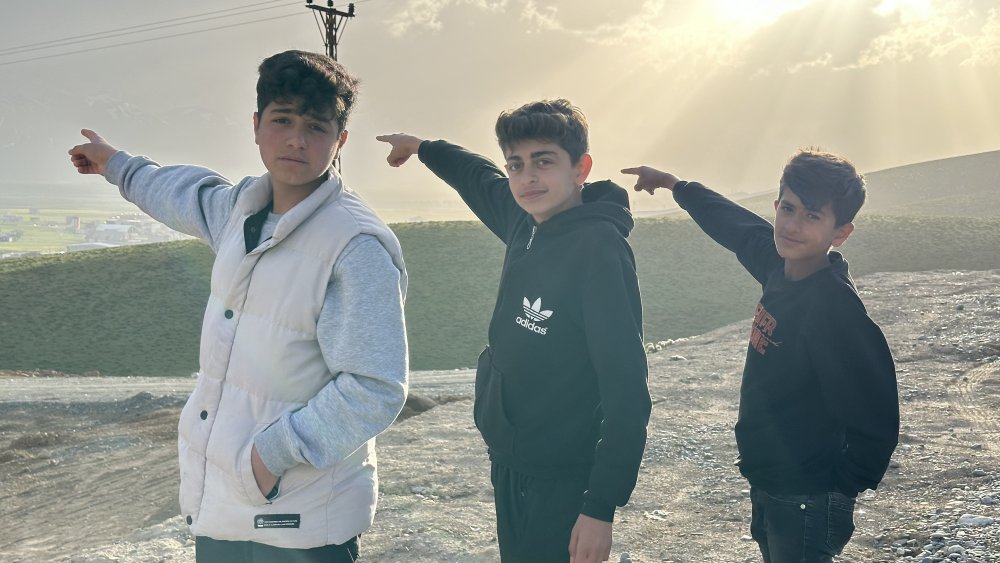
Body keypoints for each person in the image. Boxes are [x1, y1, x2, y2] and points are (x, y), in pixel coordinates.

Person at [68, 50, 408, 563]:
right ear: (256, 126)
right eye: (282, 120)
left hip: (301, 521)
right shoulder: (240, 209)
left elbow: (375, 387)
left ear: (339, 141)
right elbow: (182, 192)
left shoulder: (355, 246)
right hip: (223, 506)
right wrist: (116, 164)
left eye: (316, 127)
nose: (296, 139)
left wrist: (268, 458)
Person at [377, 99, 651, 563]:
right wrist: (422, 147)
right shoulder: (525, 221)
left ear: (580, 168)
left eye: (544, 162)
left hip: (563, 476)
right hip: (511, 461)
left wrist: (600, 508)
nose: (528, 177)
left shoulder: (599, 251)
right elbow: (477, 176)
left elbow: (627, 390)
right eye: (516, 165)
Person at [622, 151, 899, 563]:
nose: (792, 225)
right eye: (788, 209)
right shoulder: (778, 265)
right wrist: (674, 185)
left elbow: (877, 412)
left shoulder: (834, 307)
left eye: (812, 216)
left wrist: (841, 485)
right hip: (770, 480)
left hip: (807, 494)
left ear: (840, 233)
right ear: (776, 206)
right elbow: (735, 226)